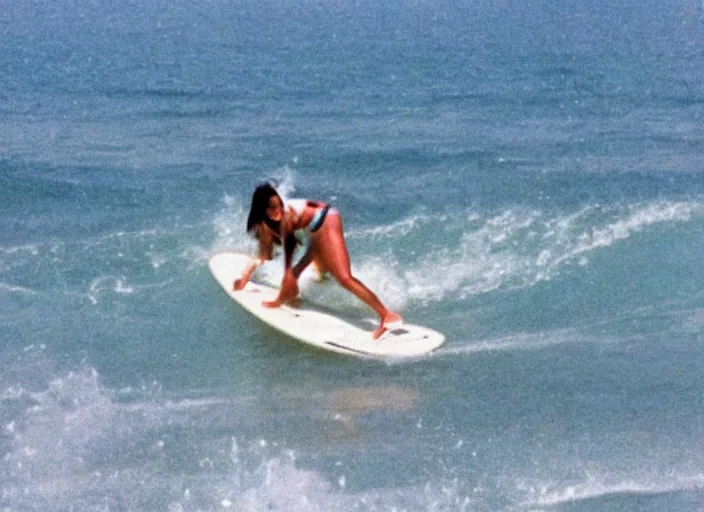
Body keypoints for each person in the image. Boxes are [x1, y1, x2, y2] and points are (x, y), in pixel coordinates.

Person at [233, 182, 402, 339]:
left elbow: (290, 249)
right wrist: (245, 275)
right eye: (272, 208)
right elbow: (265, 255)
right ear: (261, 209)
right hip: (314, 227)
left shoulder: (286, 217)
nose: (277, 211)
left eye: (278, 206)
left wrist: (287, 281)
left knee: (344, 277)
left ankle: (386, 316)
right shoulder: (265, 224)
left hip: (326, 220)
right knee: (316, 271)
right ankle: (312, 282)